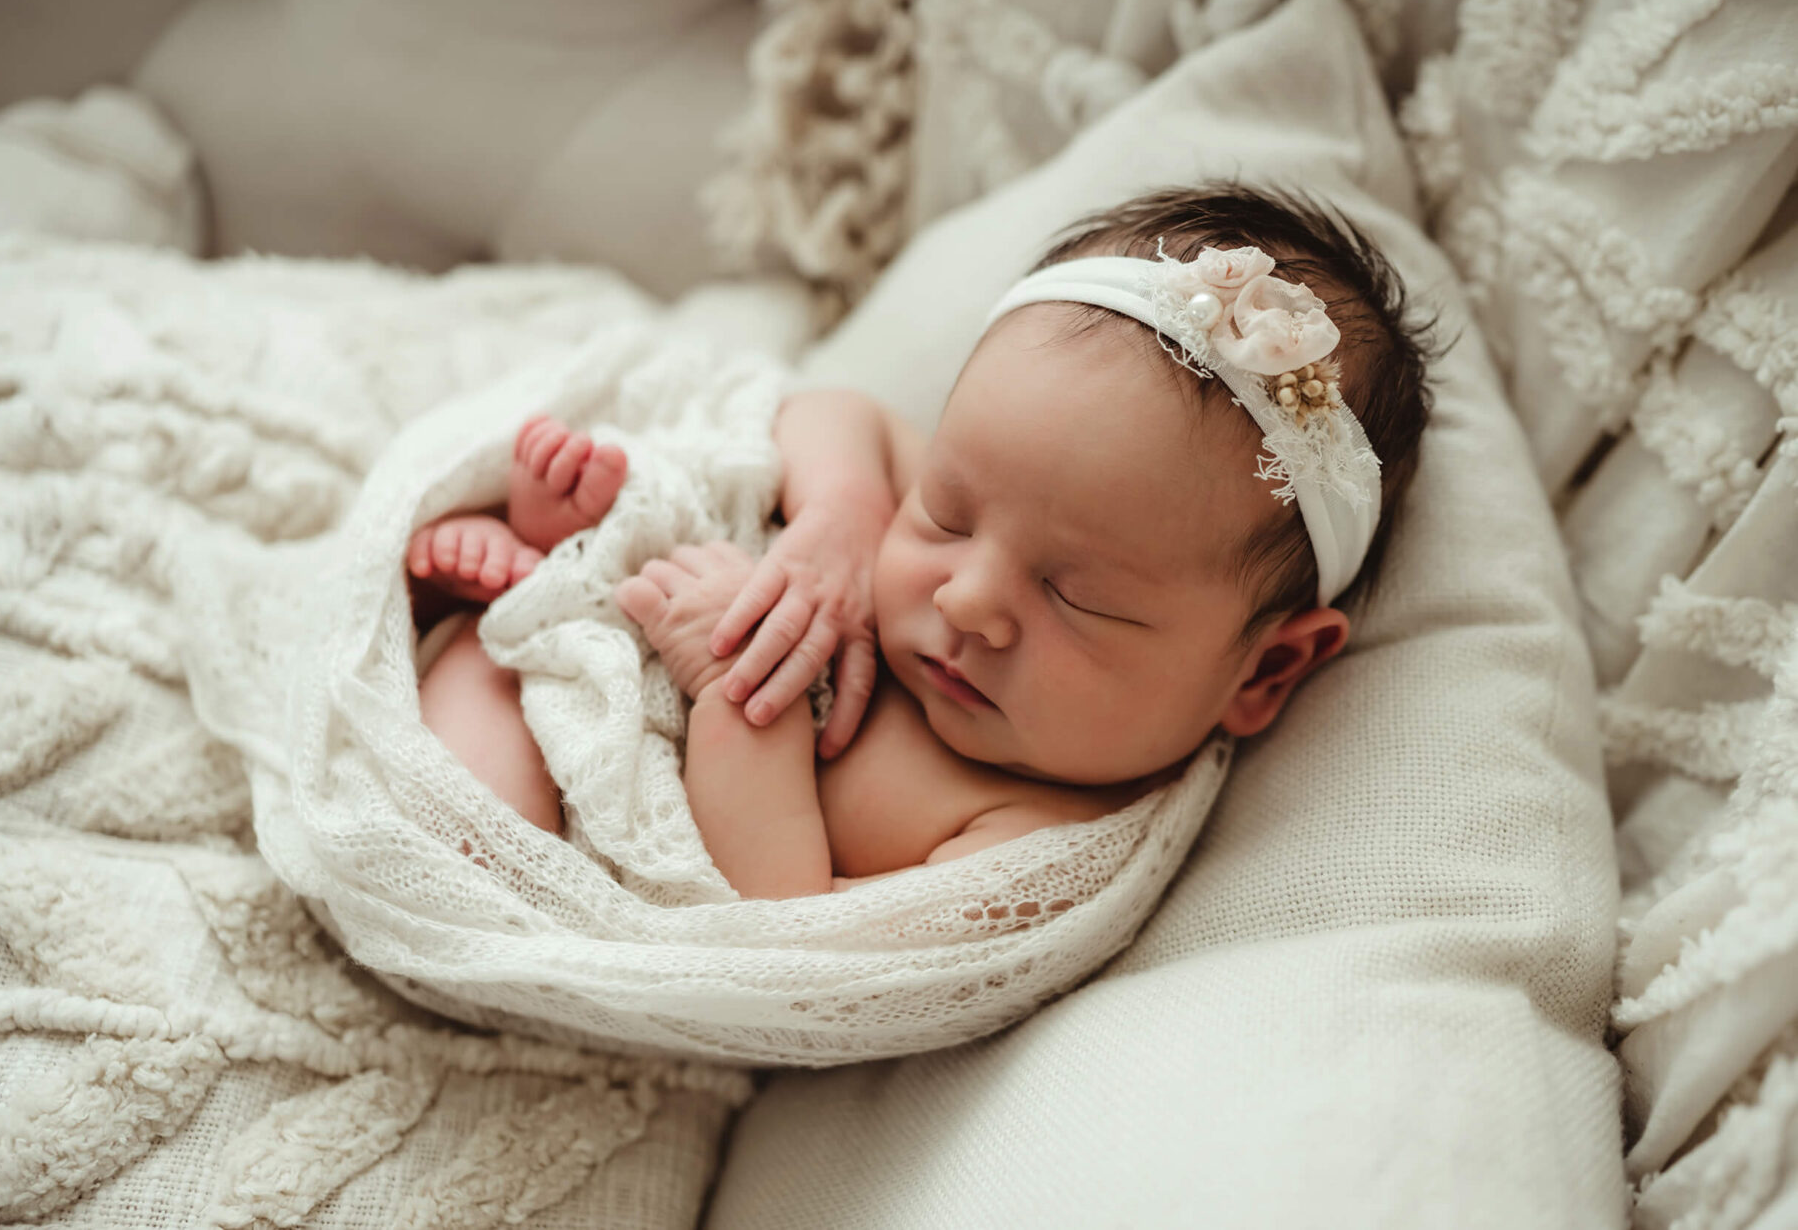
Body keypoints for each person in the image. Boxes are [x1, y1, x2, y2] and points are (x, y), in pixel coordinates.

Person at [410, 183, 1435, 899]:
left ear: (1264, 668)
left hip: (637, 778)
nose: (963, 598)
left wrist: (738, 695)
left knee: (478, 837)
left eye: (1079, 597)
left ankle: (510, 618)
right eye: (945, 511)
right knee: (678, 483)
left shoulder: (1041, 837)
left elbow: (778, 937)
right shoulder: (972, 507)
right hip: (664, 601)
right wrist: (847, 512)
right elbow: (829, 409)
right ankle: (556, 559)